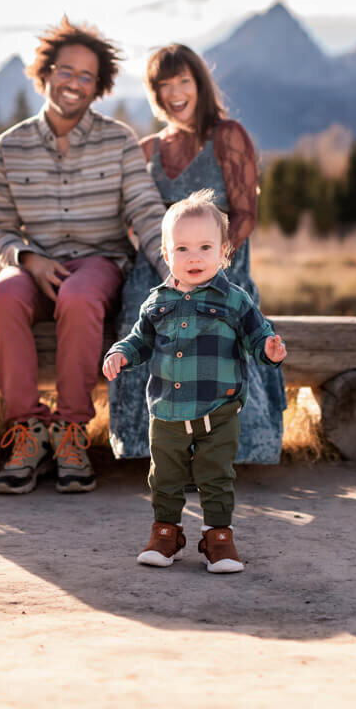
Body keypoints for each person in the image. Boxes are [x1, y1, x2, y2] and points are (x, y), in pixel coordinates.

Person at [0, 16, 168, 496]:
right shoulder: (10, 147)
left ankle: (70, 432)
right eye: (67, 71)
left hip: (99, 264)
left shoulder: (119, 141)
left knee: (81, 297)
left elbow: (147, 212)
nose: (74, 84)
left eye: (87, 76)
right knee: (1, 296)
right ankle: (27, 431)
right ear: (46, 73)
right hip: (35, 264)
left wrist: (177, 269)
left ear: (99, 86)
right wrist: (26, 259)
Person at [108, 43, 287, 463]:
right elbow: (133, 215)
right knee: (141, 306)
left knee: (221, 311)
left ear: (200, 84)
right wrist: (169, 261)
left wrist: (209, 263)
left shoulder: (228, 137)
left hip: (220, 261)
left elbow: (245, 214)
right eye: (164, 84)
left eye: (183, 80)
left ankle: (231, 444)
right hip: (160, 263)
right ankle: (144, 443)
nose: (175, 92)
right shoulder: (148, 148)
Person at [103, 190, 286, 572]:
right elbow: (139, 340)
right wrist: (120, 353)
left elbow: (257, 336)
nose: (195, 257)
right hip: (167, 412)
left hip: (218, 411)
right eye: (182, 249)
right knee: (164, 478)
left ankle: (218, 539)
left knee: (216, 477)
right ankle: (165, 534)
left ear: (223, 252)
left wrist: (269, 349)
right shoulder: (156, 302)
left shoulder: (234, 300)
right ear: (167, 256)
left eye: (205, 247)